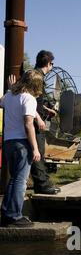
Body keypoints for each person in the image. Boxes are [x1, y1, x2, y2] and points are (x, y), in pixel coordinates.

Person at [0, 70, 43, 228]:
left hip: (8, 142)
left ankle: (6, 213)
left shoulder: (10, 96)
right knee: (20, 180)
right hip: (22, 144)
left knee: (14, 179)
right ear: (37, 84)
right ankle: (14, 216)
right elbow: (28, 124)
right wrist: (35, 148)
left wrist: (10, 89)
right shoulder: (30, 99)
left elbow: (1, 102)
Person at [30, 50, 61, 195]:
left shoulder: (35, 75)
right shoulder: (36, 77)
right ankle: (42, 185)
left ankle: (43, 183)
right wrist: (38, 117)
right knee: (37, 153)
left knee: (40, 153)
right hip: (34, 122)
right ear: (48, 63)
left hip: (36, 120)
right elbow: (29, 100)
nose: (52, 66)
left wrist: (47, 109)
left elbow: (35, 100)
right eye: (52, 64)